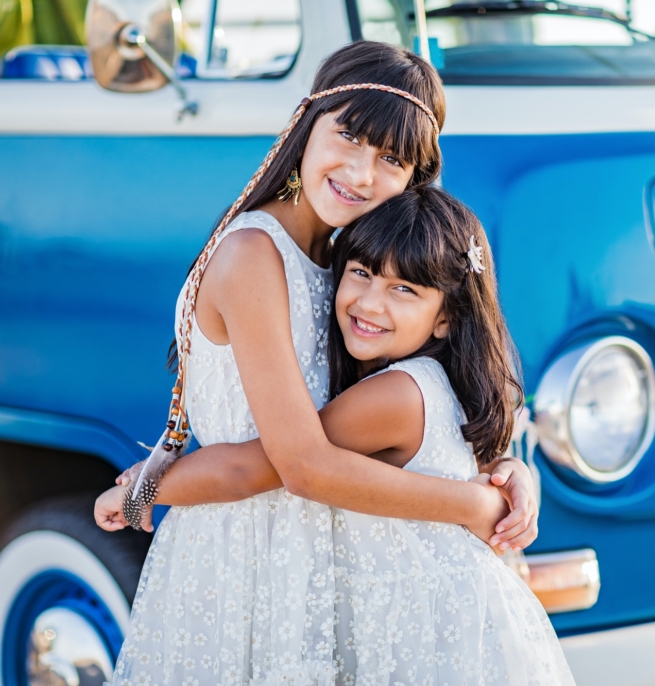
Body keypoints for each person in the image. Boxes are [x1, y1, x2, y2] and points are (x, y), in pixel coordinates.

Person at [95, 41, 539, 685]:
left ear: (416, 178)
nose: (361, 173)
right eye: (350, 137)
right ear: (307, 122)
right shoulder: (254, 254)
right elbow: (298, 463)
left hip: (327, 562)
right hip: (245, 557)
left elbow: (404, 402)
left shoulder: (348, 262)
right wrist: (471, 506)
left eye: (391, 159)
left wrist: (500, 468)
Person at [112, 186, 576, 685]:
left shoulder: (394, 397)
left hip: (431, 637)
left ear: (446, 318)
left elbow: (258, 466)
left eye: (404, 290)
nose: (370, 303)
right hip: (466, 629)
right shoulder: (446, 382)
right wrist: (514, 472)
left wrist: (138, 492)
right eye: (361, 273)